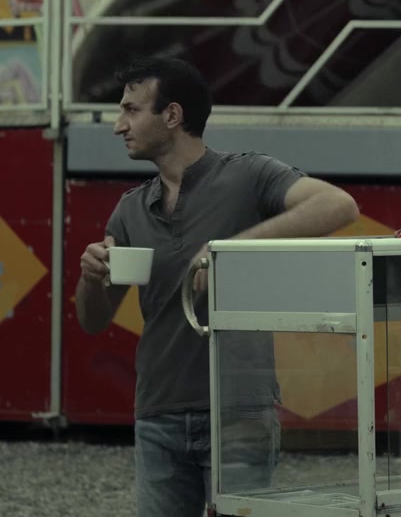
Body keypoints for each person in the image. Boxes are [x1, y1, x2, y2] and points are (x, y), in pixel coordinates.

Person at [76, 57, 359, 517]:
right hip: (157, 412)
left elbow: (338, 205)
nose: (118, 125)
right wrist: (91, 278)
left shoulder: (249, 174)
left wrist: (229, 250)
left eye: (130, 110)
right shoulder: (129, 209)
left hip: (240, 412)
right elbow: (93, 320)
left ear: (172, 115)